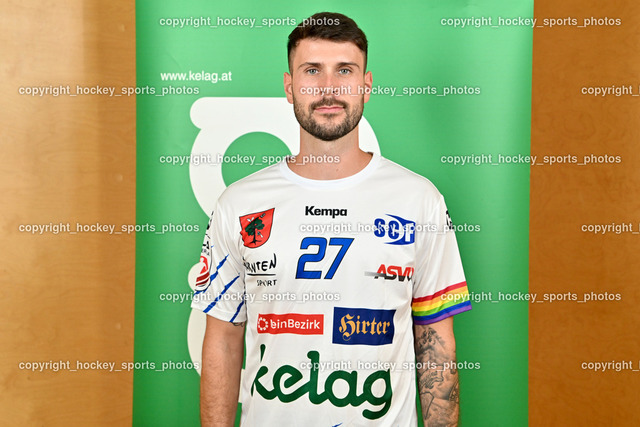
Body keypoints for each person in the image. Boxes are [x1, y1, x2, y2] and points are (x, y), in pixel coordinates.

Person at [191, 11, 472, 426]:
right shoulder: (239, 203)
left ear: (366, 85)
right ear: (289, 87)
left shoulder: (419, 200)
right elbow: (223, 339)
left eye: (344, 70)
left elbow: (436, 346)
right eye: (312, 71)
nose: (328, 88)